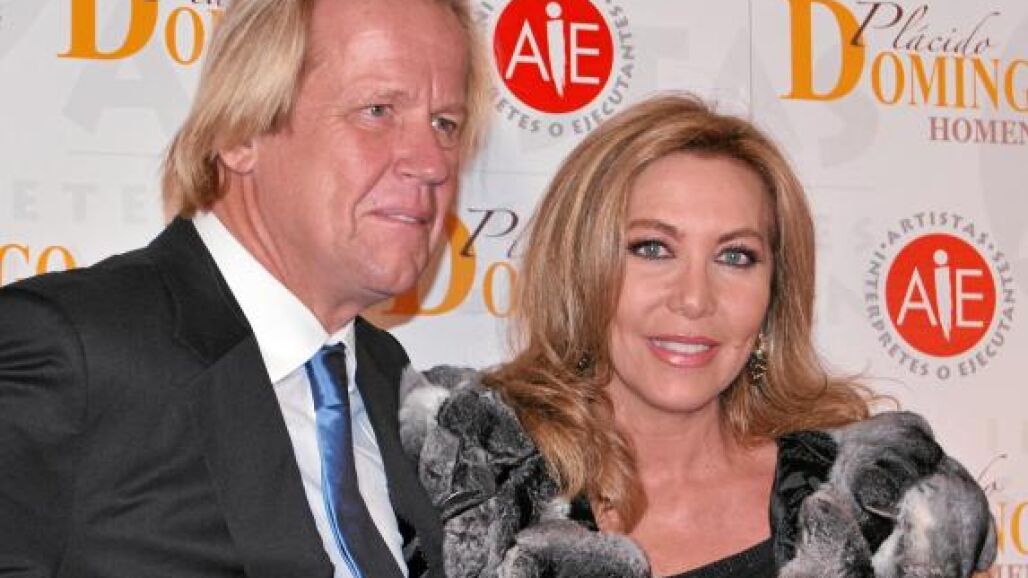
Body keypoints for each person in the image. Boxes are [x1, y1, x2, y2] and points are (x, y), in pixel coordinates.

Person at [400, 94, 997, 577]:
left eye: (735, 256)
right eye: (652, 248)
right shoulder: (473, 485)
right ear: (581, 269)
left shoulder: (889, 512)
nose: (694, 298)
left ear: (774, 293)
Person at [0, 0, 488, 576]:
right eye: (377, 111)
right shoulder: (70, 351)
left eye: (445, 124)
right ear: (240, 132)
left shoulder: (388, 377)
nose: (432, 163)